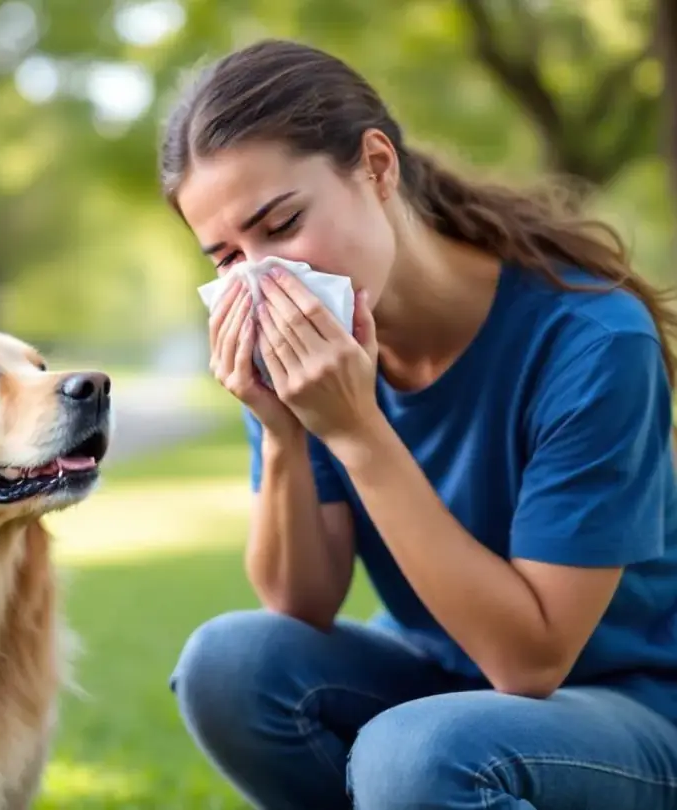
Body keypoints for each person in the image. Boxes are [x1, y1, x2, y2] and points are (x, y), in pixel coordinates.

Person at [158, 37, 677, 809]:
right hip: (438, 670)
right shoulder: (313, 351)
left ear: (375, 166)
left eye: (282, 223)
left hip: (625, 704)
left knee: (415, 756)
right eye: (227, 257)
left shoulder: (593, 342)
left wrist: (359, 432)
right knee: (227, 664)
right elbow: (301, 606)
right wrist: (283, 429)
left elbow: (530, 663)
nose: (263, 275)